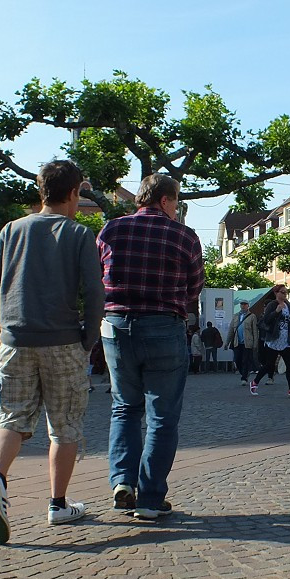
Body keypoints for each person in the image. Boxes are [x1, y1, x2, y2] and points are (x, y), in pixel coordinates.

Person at [0, 160, 104, 544]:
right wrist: (89, 336)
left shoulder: (11, 230)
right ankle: (58, 504)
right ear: (74, 193)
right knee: (64, 425)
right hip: (63, 340)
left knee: (10, 418)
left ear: (41, 191)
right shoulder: (79, 234)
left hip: (15, 340)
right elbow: (94, 290)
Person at [97, 173, 204, 520]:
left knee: (124, 407)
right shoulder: (185, 236)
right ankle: (150, 497)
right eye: (177, 202)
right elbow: (194, 289)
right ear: (165, 200)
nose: (177, 209)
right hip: (163, 327)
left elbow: (97, 276)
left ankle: (122, 483)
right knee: (162, 417)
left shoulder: (111, 230)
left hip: (116, 327)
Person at [251, 284, 290, 397]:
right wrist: (276, 311)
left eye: (286, 292)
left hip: (285, 340)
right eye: (282, 292)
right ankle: (255, 382)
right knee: (269, 365)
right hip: (274, 340)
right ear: (276, 293)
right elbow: (266, 320)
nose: (285, 294)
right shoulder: (272, 304)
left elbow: (289, 323)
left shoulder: (288, 307)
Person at [225, 300, 259, 383]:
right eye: (242, 304)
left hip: (247, 342)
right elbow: (231, 330)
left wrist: (255, 344)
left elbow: (255, 331)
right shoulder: (236, 316)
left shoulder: (252, 316)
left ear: (248, 305)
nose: (243, 306)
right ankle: (243, 373)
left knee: (245, 360)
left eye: (245, 304)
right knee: (237, 359)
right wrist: (227, 342)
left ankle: (244, 378)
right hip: (237, 342)